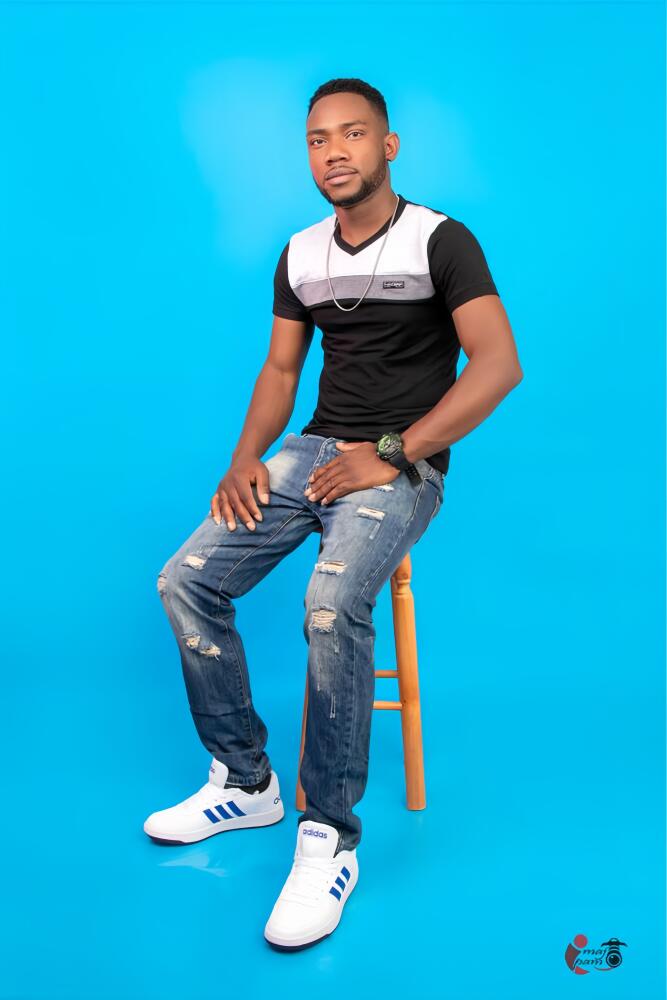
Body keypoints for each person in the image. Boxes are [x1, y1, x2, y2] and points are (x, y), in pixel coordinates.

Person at [143, 76, 523, 951]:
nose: (333, 152)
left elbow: (498, 364)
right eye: (318, 140)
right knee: (184, 581)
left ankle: (328, 840)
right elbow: (282, 371)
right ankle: (246, 782)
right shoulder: (300, 252)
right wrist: (245, 459)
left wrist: (390, 452)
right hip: (313, 452)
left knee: (328, 604)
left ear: (388, 147)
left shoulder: (440, 240)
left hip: (399, 464)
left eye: (352, 134)